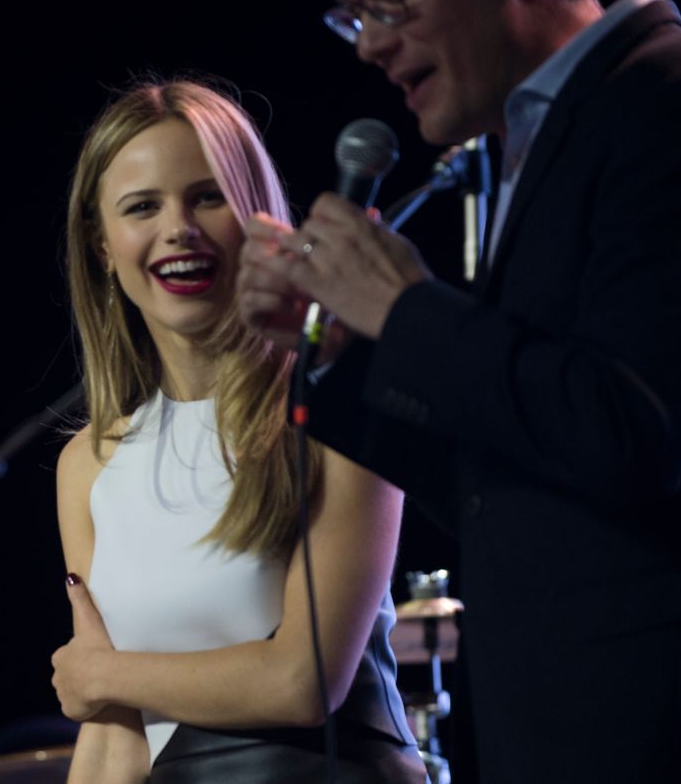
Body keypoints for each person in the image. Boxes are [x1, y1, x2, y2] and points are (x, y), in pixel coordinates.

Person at [237, 0, 681, 781]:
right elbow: (510, 488)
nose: (369, 43)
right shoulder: (532, 142)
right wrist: (349, 351)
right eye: (353, 15)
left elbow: (642, 433)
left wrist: (405, 309)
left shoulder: (667, 98)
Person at [49, 80, 426, 783]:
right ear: (101, 245)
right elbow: (113, 741)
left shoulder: (334, 412)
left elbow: (304, 681)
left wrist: (104, 672)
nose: (178, 228)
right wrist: (102, 683)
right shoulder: (89, 464)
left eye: (207, 197)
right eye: (142, 207)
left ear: (256, 217)